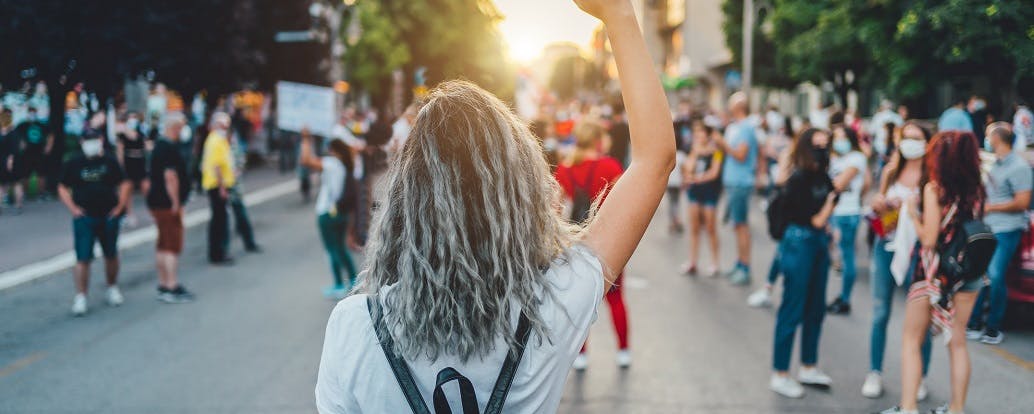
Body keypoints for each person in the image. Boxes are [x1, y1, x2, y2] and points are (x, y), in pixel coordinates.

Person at [315, 0, 676, 411]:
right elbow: (655, 159)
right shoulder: (553, 303)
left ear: (405, 201)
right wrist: (617, 14)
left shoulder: (353, 326)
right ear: (521, 192)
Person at [880, 131, 986, 414]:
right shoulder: (978, 188)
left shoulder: (934, 189)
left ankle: (909, 407)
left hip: (934, 273)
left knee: (912, 339)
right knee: (958, 342)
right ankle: (956, 409)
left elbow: (929, 239)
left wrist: (914, 215)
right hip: (968, 272)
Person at [863, 121, 933, 400]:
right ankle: (874, 372)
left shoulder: (932, 178)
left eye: (917, 138)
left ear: (928, 143)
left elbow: (934, 221)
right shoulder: (891, 171)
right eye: (906, 137)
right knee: (880, 312)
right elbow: (878, 203)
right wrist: (879, 204)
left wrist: (912, 210)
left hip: (918, 251)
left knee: (920, 319)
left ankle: (920, 376)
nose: (910, 143)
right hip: (886, 245)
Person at [768, 128, 837, 398]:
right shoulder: (797, 179)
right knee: (792, 308)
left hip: (818, 243)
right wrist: (830, 205)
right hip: (799, 242)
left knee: (816, 308)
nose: (822, 150)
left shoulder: (822, 175)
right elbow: (818, 218)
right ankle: (780, 373)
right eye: (817, 145)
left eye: (826, 145)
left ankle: (808, 366)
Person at [556, 121, 630, 370]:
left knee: (579, 302)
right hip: (610, 241)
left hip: (576, 243)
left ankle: (581, 354)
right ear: (599, 140)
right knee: (616, 298)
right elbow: (624, 207)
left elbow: (556, 211)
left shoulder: (565, 170)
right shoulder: (611, 166)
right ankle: (623, 351)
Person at [967, 122, 1032, 345]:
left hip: (1007, 229)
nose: (986, 140)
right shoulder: (995, 165)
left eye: (987, 136)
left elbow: (1022, 202)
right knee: (980, 275)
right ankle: (974, 323)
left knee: (995, 275)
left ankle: (993, 327)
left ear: (996, 138)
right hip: (988, 227)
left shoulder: (1019, 167)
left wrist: (991, 208)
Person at [57, 131, 131, 316]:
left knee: (111, 253)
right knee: (83, 258)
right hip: (85, 216)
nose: (92, 144)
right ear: (82, 142)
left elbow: (124, 183)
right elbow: (62, 186)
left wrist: (120, 207)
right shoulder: (74, 162)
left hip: (108, 215)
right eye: (87, 140)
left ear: (101, 140)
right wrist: (73, 209)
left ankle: (112, 287)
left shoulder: (109, 161)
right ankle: (81, 296)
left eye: (95, 140)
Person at [299, 129, 361, 299]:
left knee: (332, 250)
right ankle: (353, 281)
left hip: (327, 213)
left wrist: (305, 139)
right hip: (341, 213)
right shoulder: (346, 166)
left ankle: (339, 284)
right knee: (341, 249)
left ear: (334, 151)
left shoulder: (332, 164)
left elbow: (305, 161)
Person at [146, 112, 195, 303]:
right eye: (181, 126)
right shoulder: (168, 149)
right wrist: (176, 203)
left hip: (157, 202)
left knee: (162, 243)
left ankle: (163, 283)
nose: (182, 130)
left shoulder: (160, 146)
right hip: (167, 204)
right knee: (172, 245)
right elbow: (170, 178)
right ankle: (171, 286)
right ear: (174, 127)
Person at [714, 92, 759, 285]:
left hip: (741, 182)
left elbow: (741, 155)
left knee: (741, 226)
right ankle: (740, 263)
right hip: (733, 182)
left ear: (740, 106)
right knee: (736, 225)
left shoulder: (746, 128)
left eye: (731, 102)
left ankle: (745, 267)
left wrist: (722, 144)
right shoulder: (734, 127)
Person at [827, 126, 867, 315]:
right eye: (836, 137)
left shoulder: (856, 158)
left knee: (847, 255)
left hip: (847, 212)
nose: (839, 140)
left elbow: (839, 184)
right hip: (836, 211)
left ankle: (845, 298)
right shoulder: (837, 158)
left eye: (842, 136)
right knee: (841, 254)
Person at [683, 121, 723, 276]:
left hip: (710, 192)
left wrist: (696, 178)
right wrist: (695, 152)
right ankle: (692, 262)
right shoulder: (695, 149)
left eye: (701, 132)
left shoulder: (717, 151)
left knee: (710, 227)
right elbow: (688, 168)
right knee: (694, 227)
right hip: (695, 192)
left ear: (708, 134)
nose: (698, 135)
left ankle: (715, 263)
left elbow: (715, 173)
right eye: (696, 132)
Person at [201, 112, 236, 264]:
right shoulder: (216, 140)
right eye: (223, 125)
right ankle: (218, 254)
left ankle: (218, 253)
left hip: (217, 185)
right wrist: (222, 187)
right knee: (219, 221)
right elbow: (216, 166)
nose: (225, 128)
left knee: (219, 219)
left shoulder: (216, 139)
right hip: (217, 186)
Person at [116, 112, 150, 226]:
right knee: (127, 188)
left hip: (140, 161)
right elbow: (120, 150)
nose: (132, 120)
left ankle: (153, 210)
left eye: (134, 118)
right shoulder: (123, 134)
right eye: (130, 118)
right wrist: (121, 166)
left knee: (146, 186)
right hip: (128, 161)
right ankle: (128, 214)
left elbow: (147, 145)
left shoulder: (142, 132)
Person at [15, 106, 53, 198]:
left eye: (33, 112)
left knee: (41, 174)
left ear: (36, 113)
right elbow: (15, 136)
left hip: (39, 153)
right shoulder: (22, 125)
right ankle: (25, 194)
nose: (32, 114)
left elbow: (51, 135)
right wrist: (20, 145)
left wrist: (48, 147)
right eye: (30, 112)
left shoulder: (41, 124)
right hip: (26, 154)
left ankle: (42, 193)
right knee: (25, 174)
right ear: (27, 113)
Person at [0, 109, 25, 213]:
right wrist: (10, 161)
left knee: (2, 185)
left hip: (2, 161)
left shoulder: (2, 134)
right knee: (16, 183)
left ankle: (2, 205)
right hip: (12, 161)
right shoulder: (14, 132)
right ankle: (18, 206)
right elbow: (16, 148)